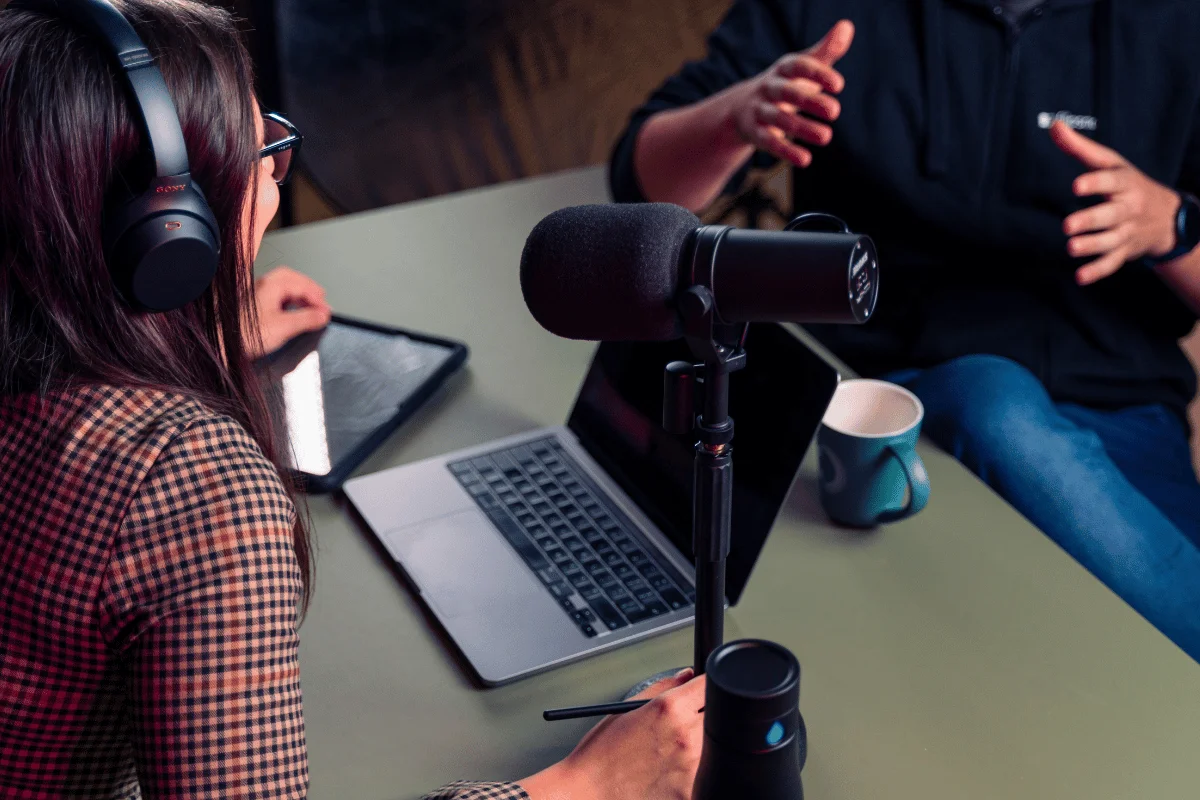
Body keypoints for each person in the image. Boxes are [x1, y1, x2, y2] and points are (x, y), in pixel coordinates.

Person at [0, 1, 704, 798]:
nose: (272, 161)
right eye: (255, 143)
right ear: (170, 234)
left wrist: (199, 329)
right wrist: (589, 785)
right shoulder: (190, 489)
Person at [611, 0, 1200, 661]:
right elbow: (640, 185)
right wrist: (737, 117)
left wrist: (1174, 226)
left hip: (1117, 409)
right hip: (864, 402)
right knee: (993, 403)